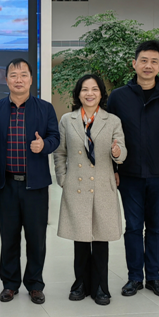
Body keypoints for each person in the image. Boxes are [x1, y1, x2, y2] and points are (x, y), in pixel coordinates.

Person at [106, 40, 159, 299]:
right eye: (143, 60)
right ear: (134, 63)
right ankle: (134, 277)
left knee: (156, 228)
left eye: (154, 61)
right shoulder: (118, 96)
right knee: (133, 227)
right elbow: (109, 134)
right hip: (129, 173)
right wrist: (113, 168)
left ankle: (153, 276)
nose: (148, 66)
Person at [0, 58, 60, 305]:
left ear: (31, 79)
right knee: (8, 238)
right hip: (7, 184)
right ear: (6, 79)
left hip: (35, 185)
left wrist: (44, 145)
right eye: (13, 75)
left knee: (36, 238)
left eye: (23, 75)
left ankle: (35, 285)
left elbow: (55, 138)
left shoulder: (45, 108)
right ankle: (10, 284)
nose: (18, 80)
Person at [54, 74, 126, 305]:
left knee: (101, 238)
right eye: (85, 89)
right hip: (76, 186)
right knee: (81, 238)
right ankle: (80, 284)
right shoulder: (68, 120)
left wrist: (117, 153)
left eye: (94, 89)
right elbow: (60, 152)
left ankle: (101, 287)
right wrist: (63, 178)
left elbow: (122, 151)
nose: (89, 93)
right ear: (78, 94)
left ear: (101, 93)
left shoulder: (112, 120)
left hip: (103, 186)